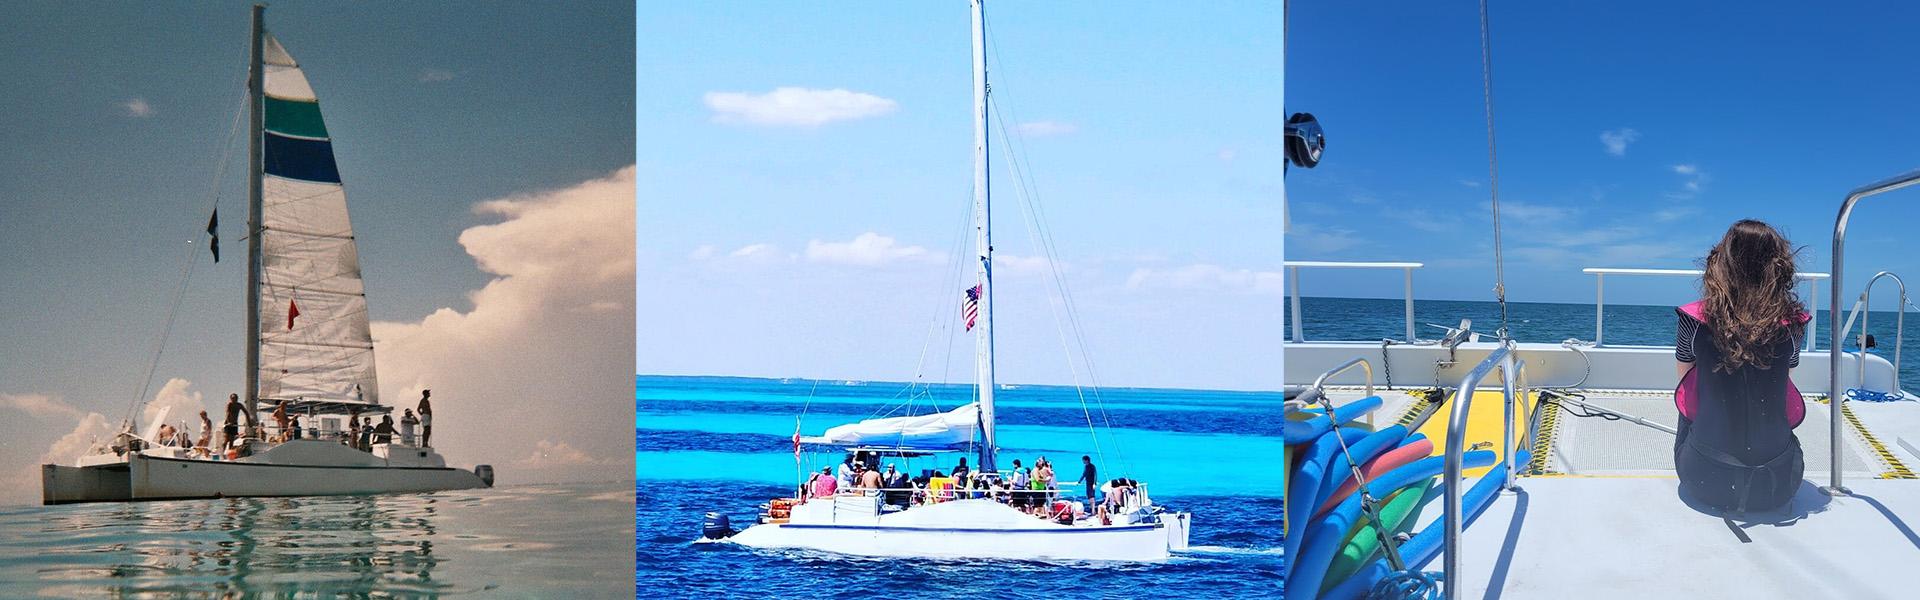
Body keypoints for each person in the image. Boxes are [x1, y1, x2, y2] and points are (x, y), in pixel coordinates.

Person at [1674, 220, 1809, 514]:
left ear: (1722, 262)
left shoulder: (1693, 319)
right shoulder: (1794, 324)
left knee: (1687, 399)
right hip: (1778, 485)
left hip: (1703, 481)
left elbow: (1686, 381)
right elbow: (1786, 378)